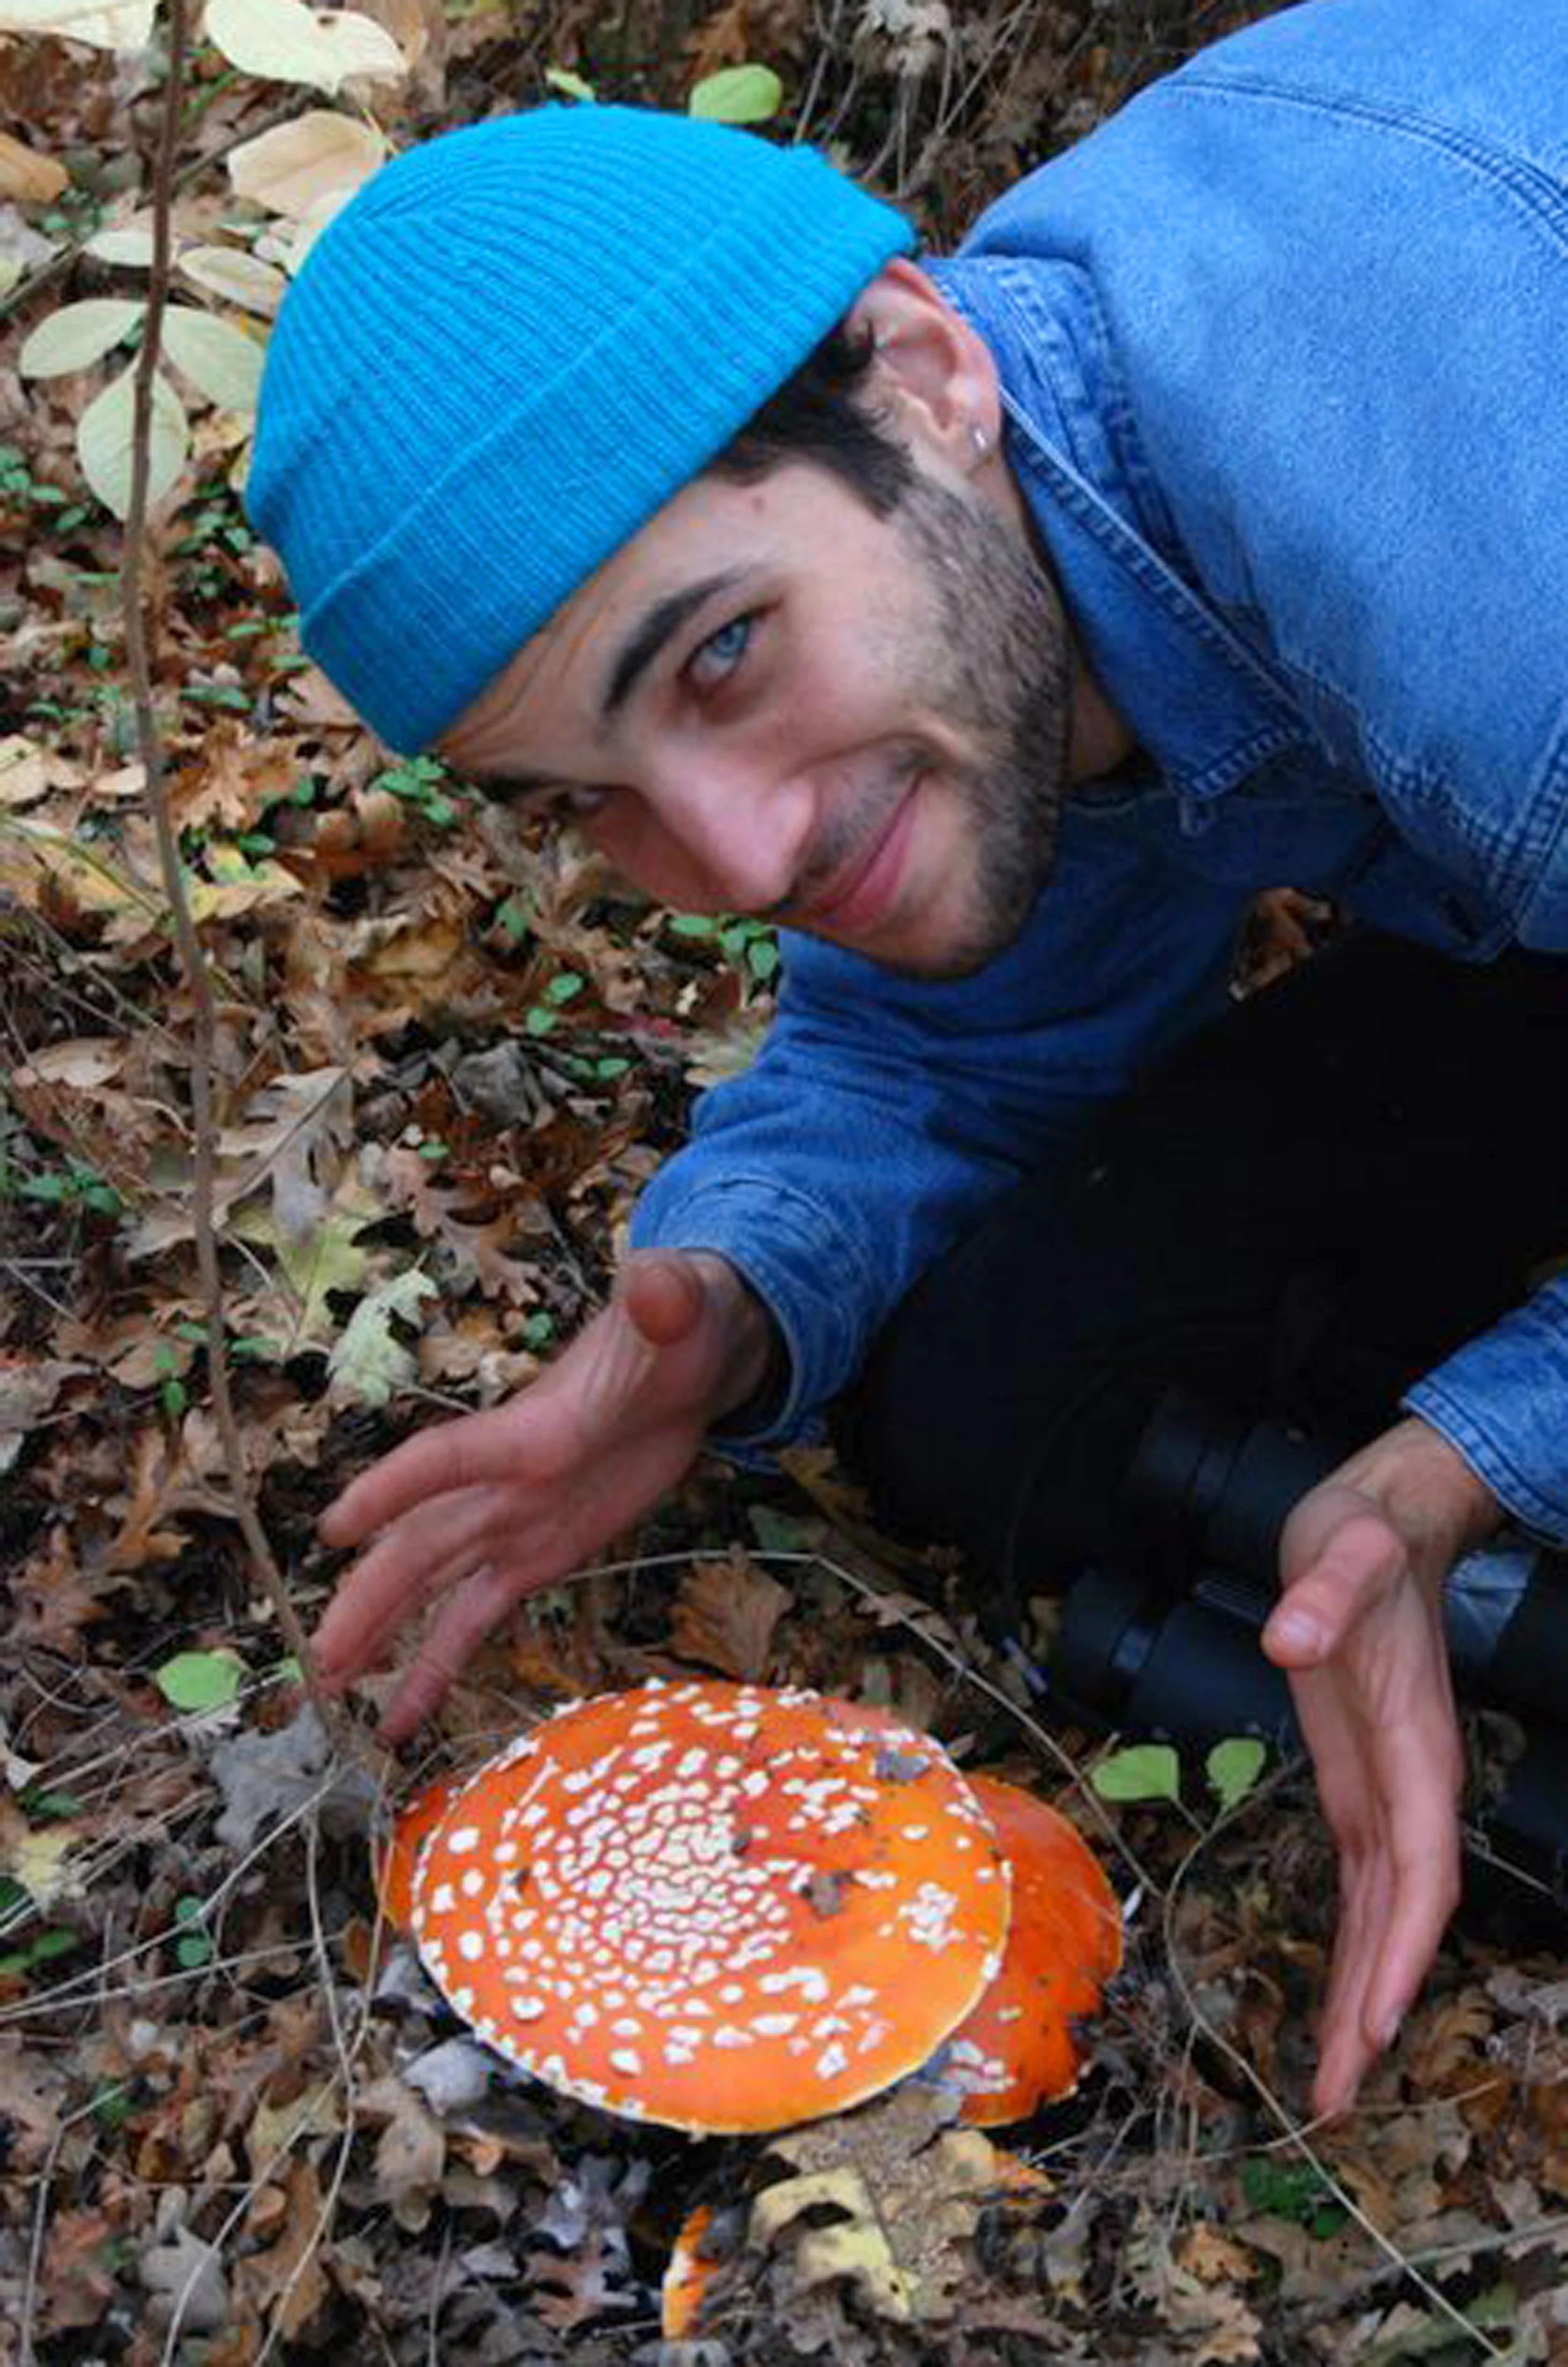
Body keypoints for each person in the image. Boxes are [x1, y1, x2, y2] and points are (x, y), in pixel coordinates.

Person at [246, 0, 1568, 2120]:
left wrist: (1468, 1454)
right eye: (591, 796)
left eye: (721, 654)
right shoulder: (998, 531)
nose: (736, 854)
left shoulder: (1448, 498)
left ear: (924, 370)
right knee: (991, 1391)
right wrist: (730, 1295)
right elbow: (952, 1036)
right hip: (1496, 882)